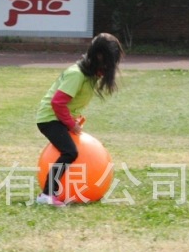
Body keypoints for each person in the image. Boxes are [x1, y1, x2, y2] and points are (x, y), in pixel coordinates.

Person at [35, 33, 124, 206]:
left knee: (71, 150)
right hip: (49, 119)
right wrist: (70, 124)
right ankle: (46, 195)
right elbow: (57, 103)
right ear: (99, 56)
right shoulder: (77, 74)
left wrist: (74, 119)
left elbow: (70, 103)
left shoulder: (90, 75)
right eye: (109, 61)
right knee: (70, 152)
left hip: (59, 118)